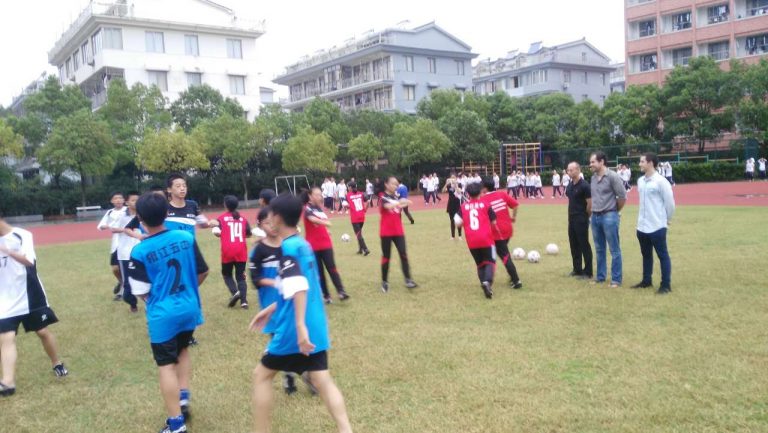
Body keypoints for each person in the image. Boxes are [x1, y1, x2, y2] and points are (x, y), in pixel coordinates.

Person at [249, 193, 353, 433]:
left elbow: (297, 287)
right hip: (315, 323)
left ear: (275, 217)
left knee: (261, 376)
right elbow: (301, 286)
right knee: (322, 380)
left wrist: (299, 326)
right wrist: (270, 309)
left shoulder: (288, 248)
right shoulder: (303, 244)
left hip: (294, 330)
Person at [127, 192, 209, 433]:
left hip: (163, 313)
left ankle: (175, 424)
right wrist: (189, 291)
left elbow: (141, 291)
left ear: (140, 218)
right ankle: (182, 397)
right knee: (182, 348)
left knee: (165, 365)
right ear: (166, 213)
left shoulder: (140, 251)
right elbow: (203, 271)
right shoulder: (185, 237)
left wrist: (160, 299)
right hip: (189, 307)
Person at [0, 216, 69, 397]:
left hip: (30, 294)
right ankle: (8, 383)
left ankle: (56, 362)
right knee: (5, 337)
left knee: (42, 332)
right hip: (6, 299)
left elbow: (29, 261)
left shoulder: (21, 235)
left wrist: (6, 250)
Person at [249, 207, 301, 395]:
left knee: (296, 335)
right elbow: (255, 279)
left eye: (273, 221)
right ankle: (288, 376)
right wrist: (276, 282)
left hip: (290, 301)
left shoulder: (288, 246)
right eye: (266, 223)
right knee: (279, 340)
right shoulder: (258, 250)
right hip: (270, 304)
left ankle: (307, 373)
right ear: (260, 225)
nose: (271, 226)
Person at [632, 153, 675, 295]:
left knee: (662, 255)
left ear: (650, 163)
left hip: (657, 226)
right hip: (642, 226)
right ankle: (646, 280)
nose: (640, 164)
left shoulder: (661, 182)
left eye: (642, 161)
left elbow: (670, 204)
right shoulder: (640, 181)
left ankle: (666, 285)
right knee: (646, 255)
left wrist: (666, 220)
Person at [301, 187, 350, 303]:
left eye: (320, 194)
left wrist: (326, 231)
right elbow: (312, 219)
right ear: (310, 196)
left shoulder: (320, 209)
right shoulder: (307, 208)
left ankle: (341, 291)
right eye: (317, 195)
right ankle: (326, 295)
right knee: (320, 271)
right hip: (313, 246)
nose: (320, 197)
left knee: (332, 267)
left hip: (326, 243)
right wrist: (326, 223)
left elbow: (318, 224)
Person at [589, 151, 627, 287]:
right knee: (599, 248)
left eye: (593, 162)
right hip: (595, 216)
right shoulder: (593, 178)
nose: (590, 164)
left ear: (602, 162)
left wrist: (614, 212)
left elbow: (622, 197)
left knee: (614, 249)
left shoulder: (612, 176)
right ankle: (600, 277)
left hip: (609, 215)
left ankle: (616, 279)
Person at [456, 183, 498, 299]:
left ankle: (484, 283)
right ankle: (487, 282)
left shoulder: (463, 206)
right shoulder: (486, 204)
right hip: (486, 239)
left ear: (468, 194)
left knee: (480, 264)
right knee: (490, 261)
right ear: (480, 192)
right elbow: (494, 221)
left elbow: (457, 222)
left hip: (472, 241)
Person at [378, 177, 418, 292]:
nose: (396, 186)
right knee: (386, 257)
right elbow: (387, 206)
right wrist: (400, 202)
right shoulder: (382, 196)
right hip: (386, 232)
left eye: (396, 184)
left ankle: (408, 279)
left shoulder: (395, 197)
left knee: (403, 254)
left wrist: (404, 203)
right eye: (393, 184)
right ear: (386, 184)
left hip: (398, 231)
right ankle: (384, 282)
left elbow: (399, 206)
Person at [481, 177, 522, 289]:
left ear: (484, 188)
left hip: (496, 232)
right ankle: (512, 277)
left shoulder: (483, 199)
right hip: (507, 229)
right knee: (503, 252)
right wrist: (513, 218)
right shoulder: (502, 194)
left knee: (504, 256)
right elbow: (515, 205)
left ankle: (516, 280)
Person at [212, 195, 253, 309]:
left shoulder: (221, 218)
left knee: (227, 275)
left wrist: (218, 233)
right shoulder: (243, 219)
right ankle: (244, 302)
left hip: (227, 251)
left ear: (225, 205)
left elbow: (216, 230)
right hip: (241, 251)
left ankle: (235, 292)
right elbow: (249, 234)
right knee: (241, 276)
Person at [111, 191, 142, 313]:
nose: (136, 202)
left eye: (138, 200)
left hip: (141, 252)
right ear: (127, 202)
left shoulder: (144, 213)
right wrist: (127, 229)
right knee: (128, 287)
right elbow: (113, 228)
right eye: (133, 200)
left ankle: (151, 304)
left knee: (146, 279)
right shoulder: (121, 215)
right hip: (125, 254)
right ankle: (132, 303)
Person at [565, 162, 593, 279]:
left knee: (584, 244)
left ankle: (588, 271)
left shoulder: (585, 185)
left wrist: (585, 216)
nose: (569, 172)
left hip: (581, 219)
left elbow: (590, 204)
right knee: (574, 244)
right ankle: (577, 269)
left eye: (571, 170)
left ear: (578, 170)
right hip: (571, 219)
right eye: (568, 170)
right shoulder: (570, 185)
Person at [97, 191, 126, 300]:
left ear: (124, 200)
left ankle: (122, 292)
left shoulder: (127, 211)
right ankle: (121, 282)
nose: (118, 200)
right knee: (115, 269)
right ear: (112, 201)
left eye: (120, 198)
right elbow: (100, 226)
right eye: (116, 198)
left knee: (125, 268)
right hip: (116, 244)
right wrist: (107, 226)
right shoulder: (110, 212)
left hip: (127, 242)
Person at [346, 182, 370, 256]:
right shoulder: (361, 193)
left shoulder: (348, 195)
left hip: (355, 217)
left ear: (350, 187)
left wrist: (347, 206)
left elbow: (346, 204)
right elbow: (368, 201)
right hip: (362, 216)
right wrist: (365, 210)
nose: (347, 188)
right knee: (359, 233)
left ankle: (365, 249)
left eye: (348, 187)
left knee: (358, 234)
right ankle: (360, 249)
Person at [443, 174, 463, 240]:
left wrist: (456, 185)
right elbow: (443, 191)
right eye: (451, 178)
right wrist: (446, 184)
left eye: (454, 178)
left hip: (457, 204)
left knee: (458, 220)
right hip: (450, 204)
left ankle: (460, 236)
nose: (452, 179)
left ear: (456, 178)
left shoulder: (459, 184)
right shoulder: (449, 186)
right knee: (452, 220)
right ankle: (452, 236)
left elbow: (459, 192)